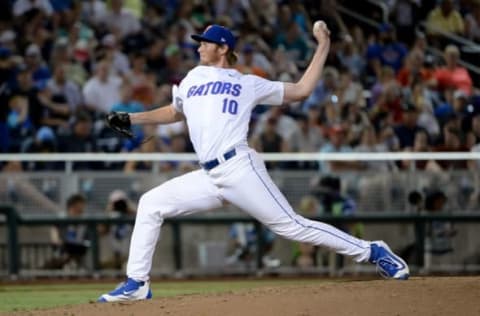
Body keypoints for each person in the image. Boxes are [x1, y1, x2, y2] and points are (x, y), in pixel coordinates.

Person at [98, 22, 409, 303]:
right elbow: (174, 111)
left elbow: (301, 91)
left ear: (223, 48)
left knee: (293, 226)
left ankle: (373, 250)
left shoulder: (247, 82)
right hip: (209, 176)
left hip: (240, 167)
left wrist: (324, 45)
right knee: (150, 203)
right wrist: (132, 118)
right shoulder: (193, 78)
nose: (199, 46)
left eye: (205, 42)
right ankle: (137, 282)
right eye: (200, 41)